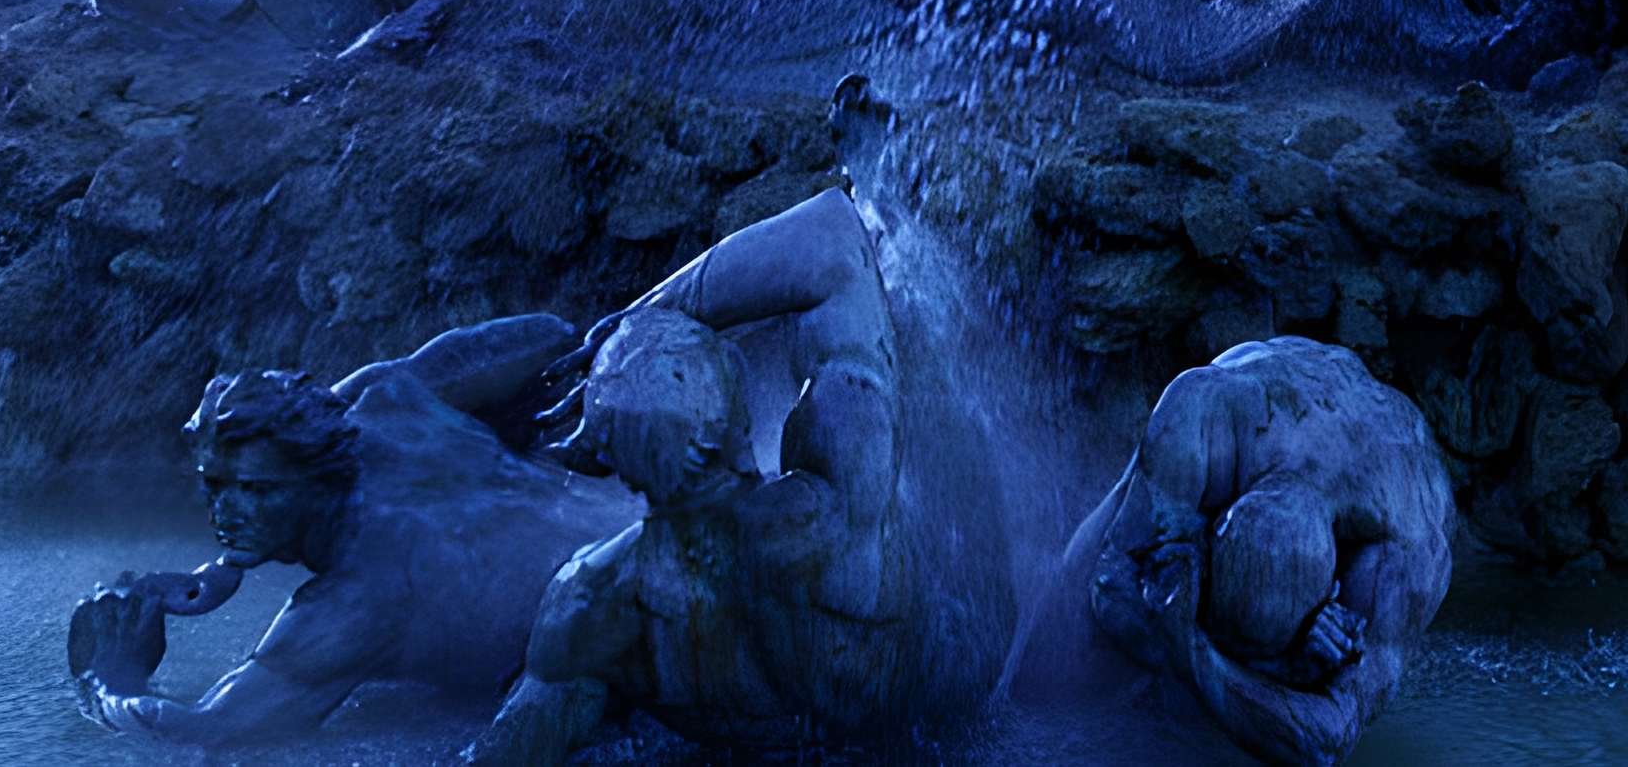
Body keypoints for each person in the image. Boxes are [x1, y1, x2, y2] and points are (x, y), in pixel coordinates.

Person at [471, 187, 1017, 762]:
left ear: (601, 456)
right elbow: (832, 238)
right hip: (947, 699)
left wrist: (617, 380)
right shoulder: (829, 515)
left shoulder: (588, 603)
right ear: (736, 402)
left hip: (750, 716)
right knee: (924, 379)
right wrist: (642, 318)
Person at [64, 318, 628, 744]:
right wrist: (310, 417)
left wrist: (110, 674)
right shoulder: (386, 398)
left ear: (318, 481)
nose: (226, 510)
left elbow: (207, 734)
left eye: (259, 491)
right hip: (625, 518)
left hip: (626, 630)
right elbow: (549, 336)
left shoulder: (357, 604)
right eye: (214, 484)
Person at [1007, 337, 1454, 767]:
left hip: (1377, 469)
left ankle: (1251, 668)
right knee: (1044, 675)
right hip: (1261, 395)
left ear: (1330, 591)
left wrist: (1193, 650)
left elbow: (1328, 741)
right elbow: (1110, 585)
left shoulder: (1413, 550)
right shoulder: (1200, 416)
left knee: (1256, 697)